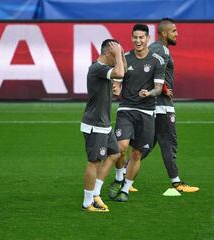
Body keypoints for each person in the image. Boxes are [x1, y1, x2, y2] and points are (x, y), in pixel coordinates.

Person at [108, 23, 165, 202]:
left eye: (141, 37)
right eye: (135, 37)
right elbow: (117, 80)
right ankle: (118, 177)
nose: (138, 40)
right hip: (126, 109)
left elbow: (158, 88)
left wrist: (150, 93)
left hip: (147, 112)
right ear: (131, 38)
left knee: (137, 153)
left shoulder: (157, 60)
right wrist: (116, 86)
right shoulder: (125, 58)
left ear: (148, 38)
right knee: (120, 147)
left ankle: (125, 188)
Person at [149, 18, 199, 192]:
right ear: (164, 33)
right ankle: (177, 183)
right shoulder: (160, 49)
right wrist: (163, 88)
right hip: (162, 105)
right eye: (174, 31)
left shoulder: (158, 48)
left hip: (158, 104)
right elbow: (151, 69)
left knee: (145, 145)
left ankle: (124, 175)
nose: (177, 34)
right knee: (169, 143)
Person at [80, 39, 125, 212]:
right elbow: (120, 72)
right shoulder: (97, 68)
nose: (119, 56)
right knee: (94, 162)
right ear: (108, 52)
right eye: (116, 53)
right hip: (95, 125)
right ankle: (87, 203)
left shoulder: (104, 69)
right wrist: (119, 57)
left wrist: (119, 54)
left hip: (104, 124)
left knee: (114, 153)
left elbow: (122, 72)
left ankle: (95, 193)